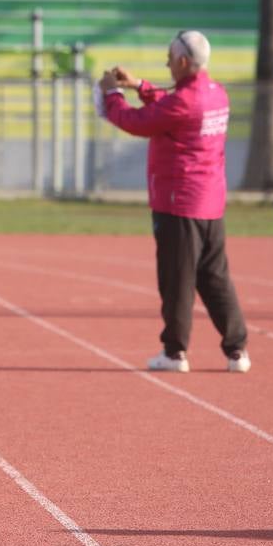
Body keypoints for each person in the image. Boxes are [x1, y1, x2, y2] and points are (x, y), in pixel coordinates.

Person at [99, 30, 250, 374]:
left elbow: (134, 121)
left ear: (183, 61)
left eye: (170, 58)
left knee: (176, 280)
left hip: (179, 202)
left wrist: (112, 94)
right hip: (210, 202)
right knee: (215, 278)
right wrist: (139, 85)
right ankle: (237, 348)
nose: (167, 63)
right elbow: (170, 107)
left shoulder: (183, 102)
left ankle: (174, 352)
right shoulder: (217, 94)